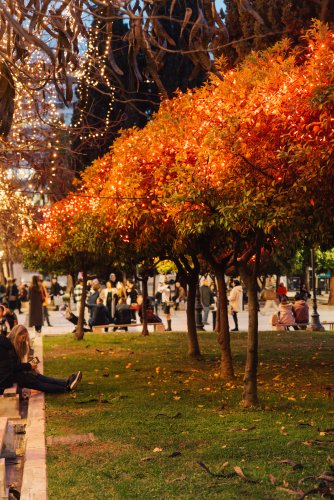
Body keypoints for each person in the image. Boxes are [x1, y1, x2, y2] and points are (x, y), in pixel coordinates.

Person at [0, 325, 82, 394]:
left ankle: (67, 383)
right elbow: (13, 366)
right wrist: (29, 366)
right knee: (35, 381)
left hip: (8, 376)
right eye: (23, 338)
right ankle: (65, 388)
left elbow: (12, 366)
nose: (23, 341)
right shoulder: (8, 346)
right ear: (16, 335)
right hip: (5, 380)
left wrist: (28, 366)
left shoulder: (8, 344)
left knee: (37, 377)